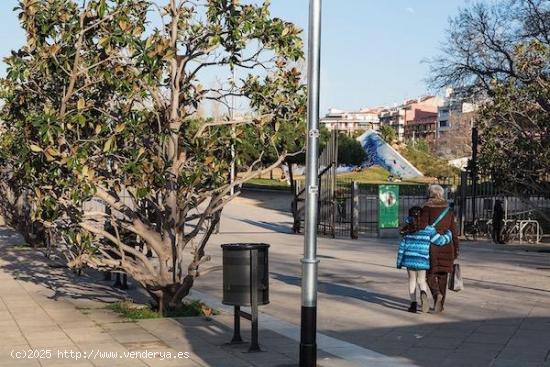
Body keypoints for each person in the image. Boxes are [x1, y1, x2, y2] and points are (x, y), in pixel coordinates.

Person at [397, 206, 453, 313]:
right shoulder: (429, 229)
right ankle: (423, 293)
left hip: (409, 258)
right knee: (421, 280)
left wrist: (399, 262)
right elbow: (440, 241)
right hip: (422, 259)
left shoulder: (407, 229)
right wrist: (448, 234)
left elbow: (402, 247)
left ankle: (413, 304)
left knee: (412, 280)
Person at [417, 184, 459, 313]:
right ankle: (441, 304)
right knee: (443, 275)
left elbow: (421, 226)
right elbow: (453, 230)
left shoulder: (427, 207)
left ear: (430, 193)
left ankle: (436, 295)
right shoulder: (449, 208)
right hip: (447, 245)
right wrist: (456, 250)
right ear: (441, 194)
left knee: (430, 273)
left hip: (432, 245)